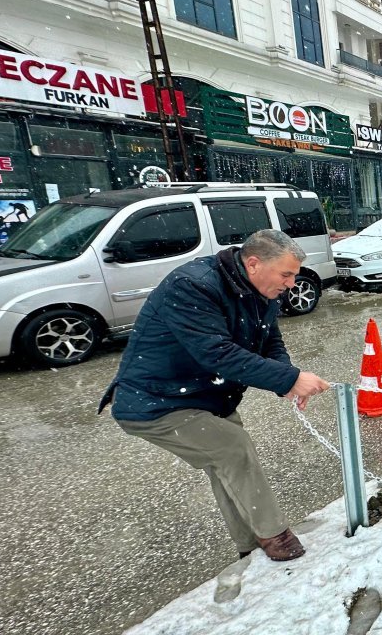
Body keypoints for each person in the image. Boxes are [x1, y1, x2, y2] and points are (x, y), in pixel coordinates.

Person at [99, 230, 330, 560]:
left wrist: (286, 381)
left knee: (229, 465)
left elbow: (269, 340)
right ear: (253, 263)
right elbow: (218, 354)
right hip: (156, 401)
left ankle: (250, 546)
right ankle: (276, 539)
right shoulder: (193, 285)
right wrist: (291, 379)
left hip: (206, 396)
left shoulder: (263, 290)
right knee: (234, 449)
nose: (291, 284)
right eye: (286, 274)